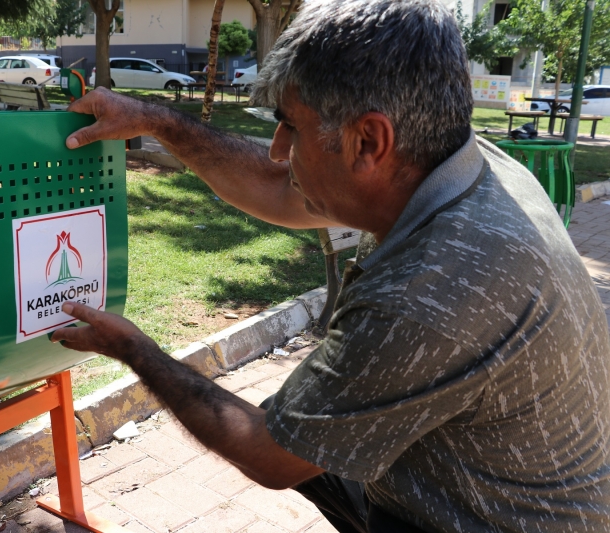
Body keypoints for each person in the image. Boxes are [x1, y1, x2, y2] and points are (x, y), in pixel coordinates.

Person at [53, 0, 610, 530]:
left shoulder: (429, 293)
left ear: (368, 140)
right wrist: (157, 121)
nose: (277, 148)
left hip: (481, 519)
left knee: (290, 431)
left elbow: (268, 455)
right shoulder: (465, 163)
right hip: (509, 484)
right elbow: (282, 185)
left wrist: (133, 348)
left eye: (289, 125)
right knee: (303, 416)